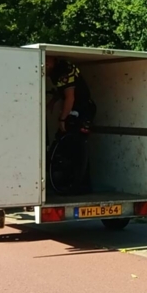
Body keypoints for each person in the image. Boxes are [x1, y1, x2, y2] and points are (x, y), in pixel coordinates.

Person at [46, 55, 96, 192]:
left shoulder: (63, 71)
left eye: (46, 63)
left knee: (73, 141)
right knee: (71, 142)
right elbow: (62, 89)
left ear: (51, 62)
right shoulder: (57, 69)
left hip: (82, 108)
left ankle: (80, 183)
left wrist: (62, 119)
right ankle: (75, 180)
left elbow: (70, 97)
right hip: (80, 107)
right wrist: (53, 100)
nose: (44, 66)